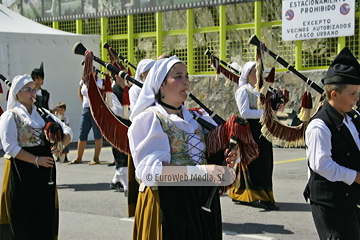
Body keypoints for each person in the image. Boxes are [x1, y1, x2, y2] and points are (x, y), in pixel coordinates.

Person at [128, 56, 239, 240]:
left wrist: (229, 157)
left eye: (186, 76)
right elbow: (149, 173)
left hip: (203, 200)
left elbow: (211, 156)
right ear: (161, 84)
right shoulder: (150, 119)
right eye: (178, 76)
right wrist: (202, 173)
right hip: (170, 203)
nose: (185, 81)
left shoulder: (197, 118)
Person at [0, 74, 72, 239]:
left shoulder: (43, 114)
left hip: (44, 173)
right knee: (23, 214)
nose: (33, 93)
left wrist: (60, 145)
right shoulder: (10, 116)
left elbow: (67, 131)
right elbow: (10, 147)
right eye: (28, 90)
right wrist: (36, 160)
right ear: (17, 93)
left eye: (34, 90)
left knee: (43, 213)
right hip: (22, 170)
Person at [303, 47, 360, 240]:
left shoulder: (350, 118)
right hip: (331, 205)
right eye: (353, 94)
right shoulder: (319, 126)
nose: (357, 99)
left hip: (348, 200)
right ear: (334, 95)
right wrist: (356, 176)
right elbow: (321, 165)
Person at [228, 61, 279, 211]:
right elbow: (244, 112)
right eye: (255, 72)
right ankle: (263, 198)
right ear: (248, 75)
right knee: (257, 164)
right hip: (251, 131)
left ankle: (240, 193)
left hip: (263, 130)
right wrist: (266, 113)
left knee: (266, 162)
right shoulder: (243, 91)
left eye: (259, 72)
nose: (258, 75)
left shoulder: (261, 91)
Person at [69, 70, 103, 165]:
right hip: (86, 109)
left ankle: (96, 158)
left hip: (96, 110)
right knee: (82, 132)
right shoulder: (83, 81)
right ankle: (78, 157)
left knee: (97, 134)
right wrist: (84, 102)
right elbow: (80, 92)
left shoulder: (99, 82)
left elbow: (104, 94)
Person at [109, 73, 132, 195]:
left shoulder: (129, 90)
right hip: (117, 128)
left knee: (128, 154)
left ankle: (115, 181)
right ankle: (127, 186)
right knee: (121, 155)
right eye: (121, 75)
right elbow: (117, 111)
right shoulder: (111, 92)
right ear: (115, 76)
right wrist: (135, 113)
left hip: (129, 126)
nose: (125, 78)